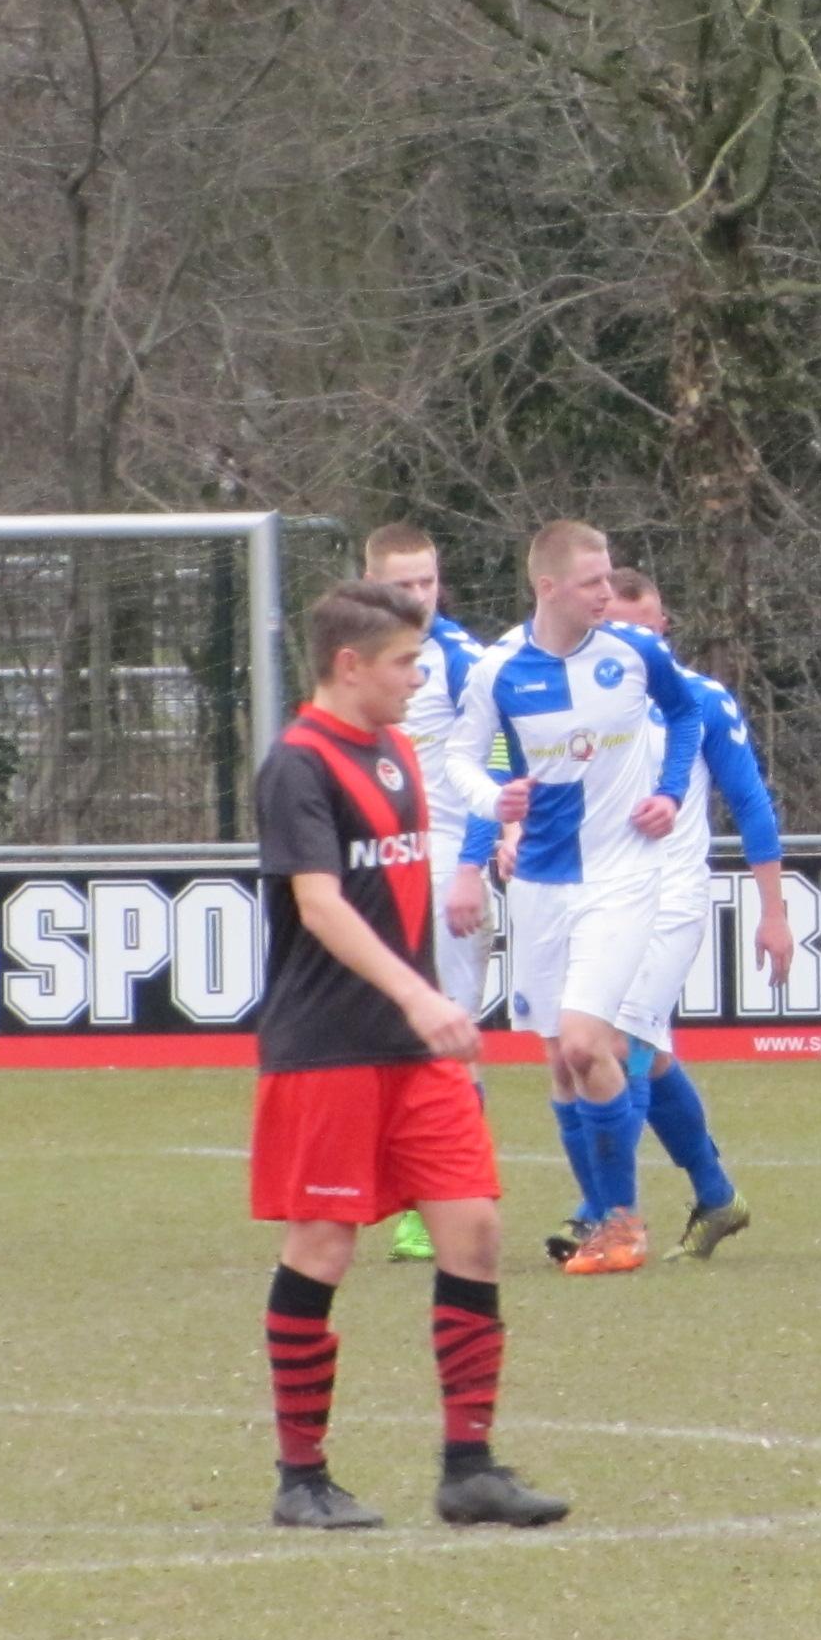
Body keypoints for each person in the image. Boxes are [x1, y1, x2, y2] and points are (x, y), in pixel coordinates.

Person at [250, 581, 567, 1530]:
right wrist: (421, 994)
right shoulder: (298, 764)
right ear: (349, 665)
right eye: (404, 663)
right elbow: (319, 906)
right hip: (328, 1049)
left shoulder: (395, 751)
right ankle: (302, 1477)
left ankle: (470, 1469)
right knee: (323, 1245)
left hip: (414, 1050)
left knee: (475, 1228)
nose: (418, 678)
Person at [444, 522, 703, 1276]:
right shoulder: (498, 671)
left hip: (622, 878)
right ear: (548, 587)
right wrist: (494, 801)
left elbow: (685, 715)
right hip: (539, 884)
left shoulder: (636, 653)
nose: (606, 593)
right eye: (592, 581)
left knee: (589, 1044)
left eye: (610, 577)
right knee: (561, 1062)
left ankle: (622, 1226)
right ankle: (600, 1216)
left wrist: (669, 791)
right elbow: (460, 758)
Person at [596, 571, 797, 1258]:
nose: (635, 642)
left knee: (623, 1044)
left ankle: (603, 1213)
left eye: (645, 628)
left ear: (664, 628)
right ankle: (716, 1196)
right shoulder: (585, 709)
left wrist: (774, 913)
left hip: (672, 903)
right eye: (619, 630)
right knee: (643, 1055)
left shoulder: (702, 702)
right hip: (602, 902)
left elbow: (752, 805)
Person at [358, 522, 496, 1264]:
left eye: (428, 581)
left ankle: (448, 1201)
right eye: (403, 584)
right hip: (378, 864)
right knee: (386, 1038)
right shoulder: (356, 659)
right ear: (371, 583)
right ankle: (406, 1193)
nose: (419, 596)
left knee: (448, 1039)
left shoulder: (464, 660)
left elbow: (493, 766)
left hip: (444, 866)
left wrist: (473, 866)